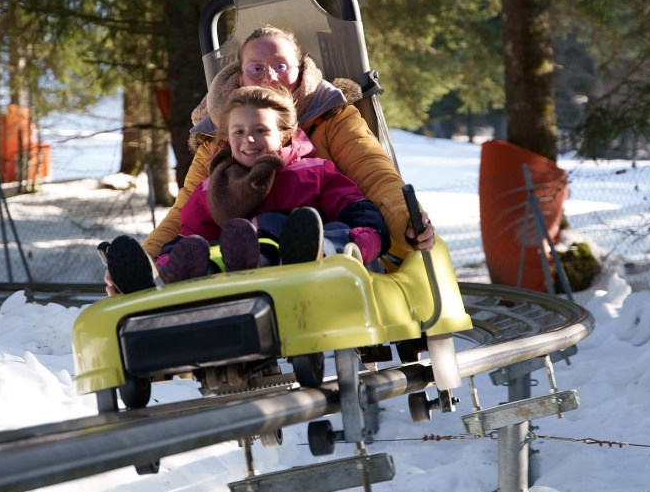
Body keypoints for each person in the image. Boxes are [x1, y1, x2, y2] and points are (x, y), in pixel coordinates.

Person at [104, 25, 432, 295]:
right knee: (195, 244)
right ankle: (156, 277)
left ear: (301, 71)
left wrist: (406, 219)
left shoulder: (332, 123)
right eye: (256, 69)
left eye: (281, 66)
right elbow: (186, 214)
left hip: (313, 240)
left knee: (306, 228)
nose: (269, 78)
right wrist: (146, 258)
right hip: (236, 252)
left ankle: (303, 250)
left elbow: (373, 174)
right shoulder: (221, 142)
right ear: (240, 78)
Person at [154, 85, 389, 283]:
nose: (249, 138)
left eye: (260, 130)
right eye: (238, 132)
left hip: (311, 267)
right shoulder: (213, 188)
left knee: (329, 231)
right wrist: (169, 257)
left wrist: (367, 235)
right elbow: (191, 234)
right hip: (234, 268)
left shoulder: (313, 171)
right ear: (227, 138)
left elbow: (352, 205)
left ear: (285, 135)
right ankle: (167, 273)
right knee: (201, 247)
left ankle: (286, 252)